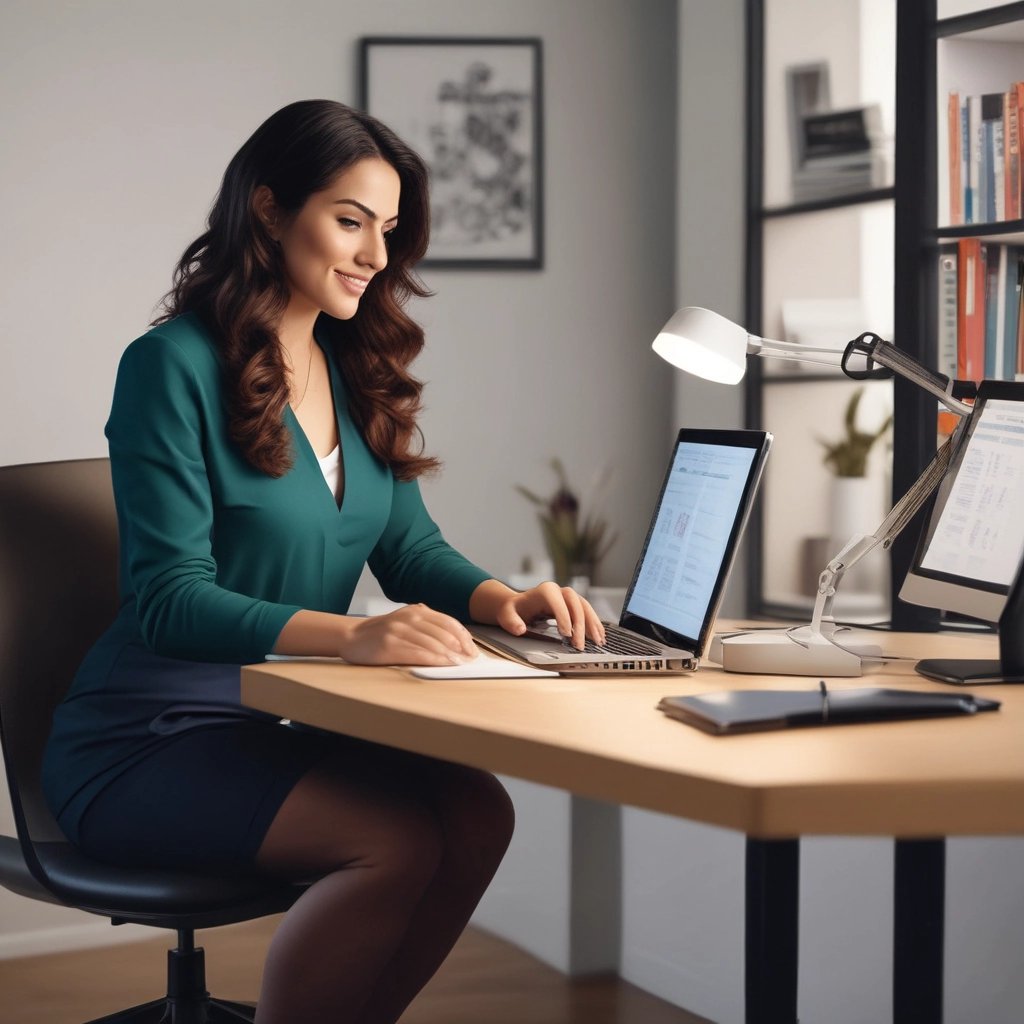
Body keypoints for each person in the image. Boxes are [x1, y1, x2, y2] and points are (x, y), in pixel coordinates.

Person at [42, 99, 605, 1024]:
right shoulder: (169, 367)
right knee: (392, 842)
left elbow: (408, 545)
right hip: (142, 741)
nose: (377, 256)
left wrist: (505, 600)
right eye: (350, 221)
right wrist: (354, 637)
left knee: (476, 816)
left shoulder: (353, 370)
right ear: (267, 210)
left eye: (387, 230)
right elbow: (169, 601)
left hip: (269, 724)